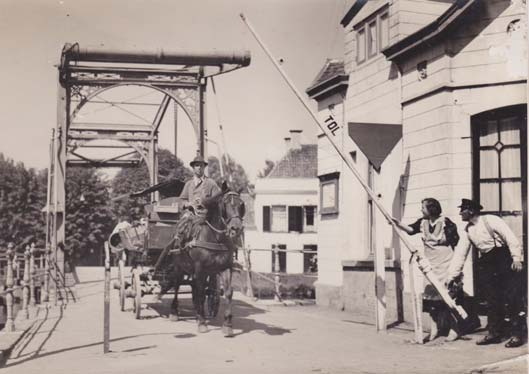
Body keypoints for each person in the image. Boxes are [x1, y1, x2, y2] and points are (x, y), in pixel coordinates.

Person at [447, 198, 525, 348]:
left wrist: (517, 258)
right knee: (492, 298)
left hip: (504, 258)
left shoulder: (491, 220)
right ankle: (495, 333)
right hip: (488, 263)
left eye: (462, 210)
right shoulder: (468, 229)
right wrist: (453, 275)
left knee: (512, 297)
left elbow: (510, 238)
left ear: (470, 211)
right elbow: (460, 254)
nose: (460, 213)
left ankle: (517, 334)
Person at [392, 198, 461, 342]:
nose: (421, 210)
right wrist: (397, 223)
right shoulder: (423, 222)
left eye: (423, 207)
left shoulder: (446, 222)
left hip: (445, 264)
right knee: (431, 301)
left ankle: (454, 329)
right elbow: (411, 230)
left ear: (431, 209)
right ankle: (434, 329)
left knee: (448, 297)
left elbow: (455, 241)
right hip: (430, 265)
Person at [175, 155, 221, 248]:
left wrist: (206, 203)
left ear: (204, 167)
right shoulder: (189, 184)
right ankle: (178, 249)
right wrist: (188, 204)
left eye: (201, 165)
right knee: (181, 226)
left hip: (207, 216)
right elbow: (181, 200)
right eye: (197, 165)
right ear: (193, 167)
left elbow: (218, 200)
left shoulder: (211, 183)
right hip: (191, 215)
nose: (199, 168)